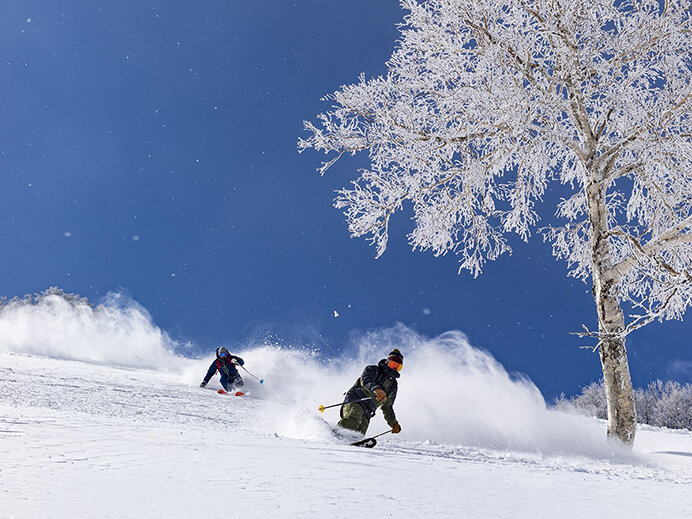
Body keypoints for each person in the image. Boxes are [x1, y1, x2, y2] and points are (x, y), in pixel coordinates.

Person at [337, 348, 403, 436]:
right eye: (393, 364)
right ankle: (337, 435)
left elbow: (388, 407)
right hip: (356, 400)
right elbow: (366, 380)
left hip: (368, 411)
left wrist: (394, 423)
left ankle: (351, 444)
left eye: (398, 367)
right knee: (354, 418)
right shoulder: (373, 369)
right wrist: (377, 389)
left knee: (360, 431)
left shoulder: (393, 385)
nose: (394, 368)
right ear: (387, 362)